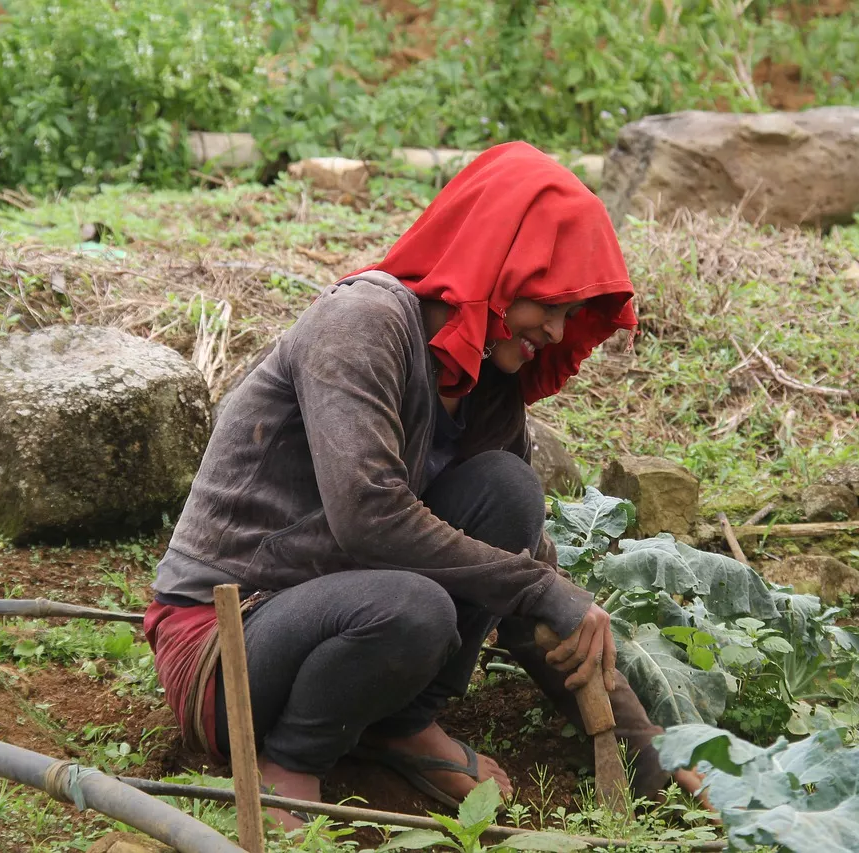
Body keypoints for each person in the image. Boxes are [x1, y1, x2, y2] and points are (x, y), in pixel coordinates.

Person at [144, 142, 704, 829]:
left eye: (570, 314)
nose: (556, 331)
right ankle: (289, 759)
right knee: (416, 608)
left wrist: (648, 746)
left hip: (354, 609)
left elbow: (526, 571)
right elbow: (368, 516)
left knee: (509, 491)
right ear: (498, 263)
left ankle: (398, 724)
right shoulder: (362, 324)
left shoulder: (488, 386)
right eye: (548, 304)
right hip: (227, 644)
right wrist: (538, 586)